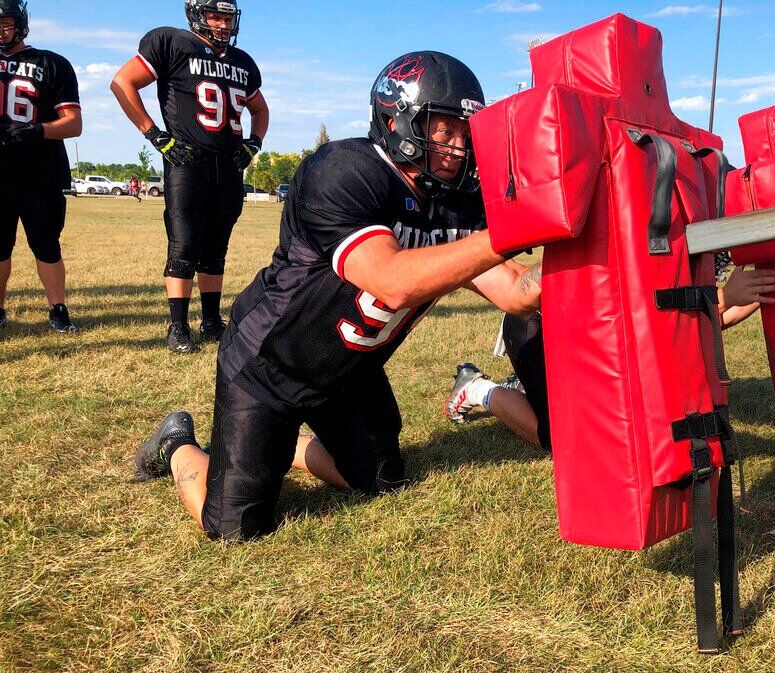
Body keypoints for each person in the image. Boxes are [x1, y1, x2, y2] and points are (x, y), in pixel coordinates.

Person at [132, 51, 541, 542]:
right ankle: (176, 442)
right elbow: (391, 279)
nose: (458, 146)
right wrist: (506, 232)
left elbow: (516, 293)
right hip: (270, 366)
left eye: (464, 132)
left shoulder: (455, 202)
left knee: (383, 479)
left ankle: (280, 449)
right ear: (397, 120)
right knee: (235, 529)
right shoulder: (344, 170)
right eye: (444, 130)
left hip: (349, 372)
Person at [442, 264, 775, 448]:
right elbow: (652, 312)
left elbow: (700, 323)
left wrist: (757, 293)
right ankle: (475, 388)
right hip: (539, 323)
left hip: (589, 334)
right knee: (556, 439)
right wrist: (724, 295)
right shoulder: (650, 241)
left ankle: (535, 384)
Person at [110, 0, 269, 353]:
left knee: (216, 247)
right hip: (187, 159)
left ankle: (211, 321)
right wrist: (154, 134)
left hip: (228, 164)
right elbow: (122, 82)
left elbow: (260, 108)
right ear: (197, 15)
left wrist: (253, 144)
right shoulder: (172, 42)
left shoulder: (242, 62)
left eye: (227, 17)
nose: (223, 24)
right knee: (183, 244)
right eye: (215, 16)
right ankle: (178, 326)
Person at [0, 0, 83, 333]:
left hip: (41, 173)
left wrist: (38, 129)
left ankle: (58, 308)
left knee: (47, 246)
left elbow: (73, 124)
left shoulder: (52, 63)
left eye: (5, 22)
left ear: (20, 23)